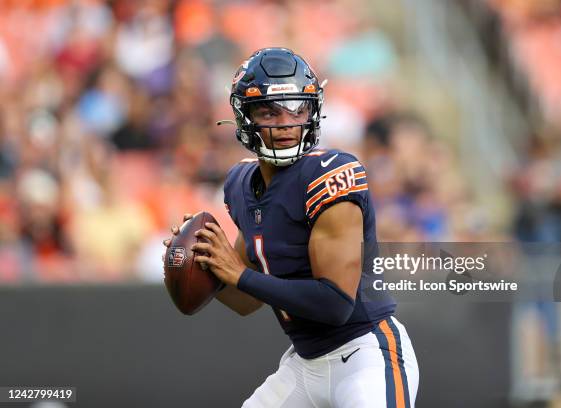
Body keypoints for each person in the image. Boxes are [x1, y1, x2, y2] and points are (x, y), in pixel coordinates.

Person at [164, 47, 418, 407]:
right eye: (269, 111)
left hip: (366, 354)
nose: (285, 122)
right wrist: (207, 265)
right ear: (244, 116)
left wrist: (236, 274)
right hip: (304, 364)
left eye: (298, 109)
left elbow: (335, 305)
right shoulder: (240, 182)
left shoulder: (331, 173)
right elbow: (247, 300)